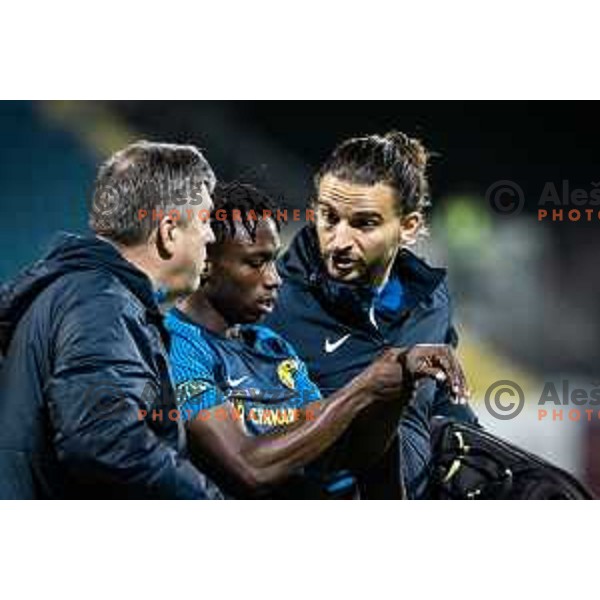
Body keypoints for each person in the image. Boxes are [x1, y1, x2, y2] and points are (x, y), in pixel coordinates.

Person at [165, 182, 468, 498]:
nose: (274, 279)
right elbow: (249, 468)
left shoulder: (271, 345)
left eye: (274, 260)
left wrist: (397, 383)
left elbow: (336, 449)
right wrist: (364, 387)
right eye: (256, 263)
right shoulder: (176, 347)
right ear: (205, 263)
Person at [0, 140, 221, 499]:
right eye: (205, 220)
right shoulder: (101, 302)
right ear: (168, 232)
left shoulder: (82, 291)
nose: (211, 235)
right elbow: (102, 438)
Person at [264, 131, 476, 498]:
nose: (339, 241)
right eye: (328, 217)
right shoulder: (273, 299)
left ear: (407, 227)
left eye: (364, 223)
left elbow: (441, 403)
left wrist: (475, 454)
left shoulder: (429, 299)